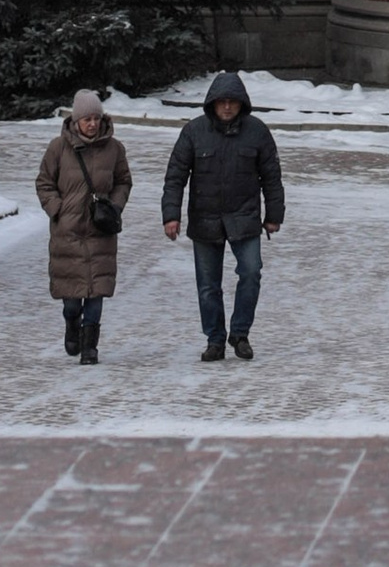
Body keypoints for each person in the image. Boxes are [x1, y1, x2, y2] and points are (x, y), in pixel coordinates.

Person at [160, 68, 285, 362]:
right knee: (208, 285)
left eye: (233, 100)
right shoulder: (193, 132)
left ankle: (240, 334)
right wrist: (171, 215)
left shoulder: (257, 132)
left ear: (242, 102)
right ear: (212, 103)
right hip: (205, 219)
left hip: (245, 217)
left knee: (251, 273)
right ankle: (214, 339)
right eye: (221, 101)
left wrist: (274, 214)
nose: (227, 106)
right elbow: (175, 176)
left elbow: (272, 177)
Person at [35, 89, 130, 365]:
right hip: (68, 231)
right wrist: (57, 209)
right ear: (76, 121)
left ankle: (90, 348)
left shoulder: (114, 149)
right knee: (73, 298)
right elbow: (44, 182)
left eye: (96, 118)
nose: (92, 124)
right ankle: (71, 323)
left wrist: (114, 206)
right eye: (86, 119)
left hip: (101, 229)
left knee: (96, 291)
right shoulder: (58, 148)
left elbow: (124, 181)